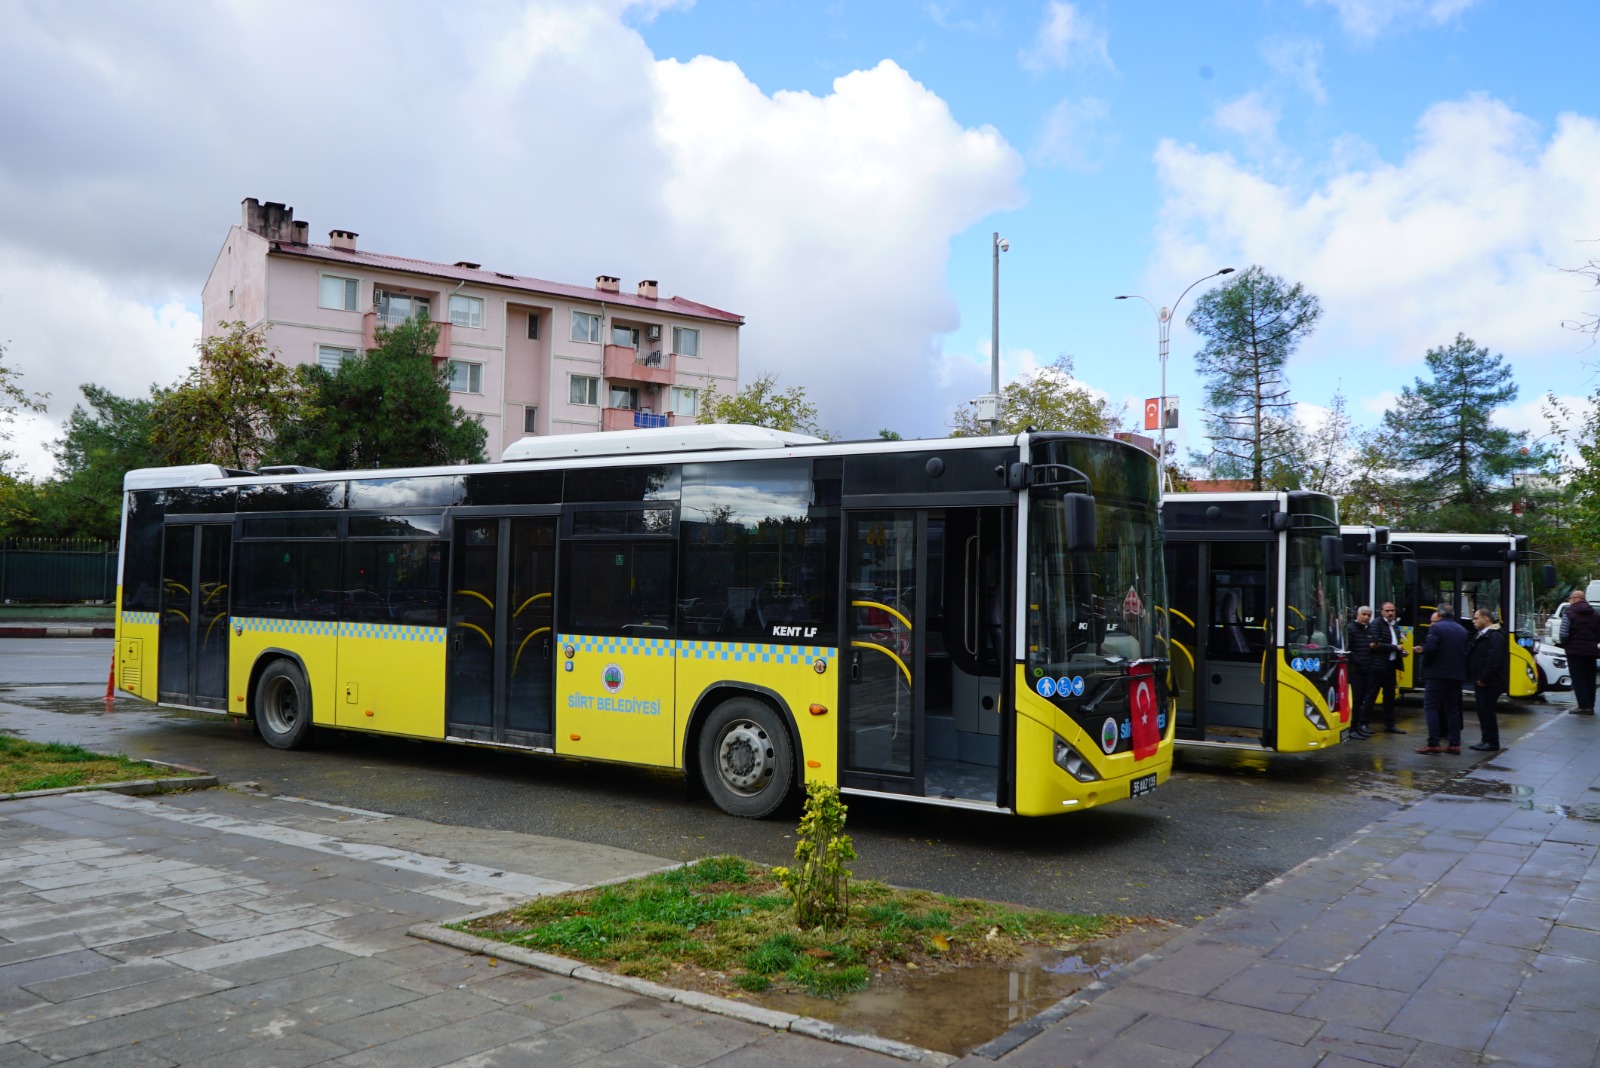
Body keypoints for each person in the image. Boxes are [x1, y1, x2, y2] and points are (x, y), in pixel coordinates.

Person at [1417, 604, 1470, 754]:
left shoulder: (1436, 628)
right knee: (1452, 709)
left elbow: (1432, 649)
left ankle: (1433, 743)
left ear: (1439, 616)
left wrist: (1425, 658)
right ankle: (1454, 743)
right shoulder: (1462, 630)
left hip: (1437, 675)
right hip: (1457, 675)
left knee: (1431, 707)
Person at [1465, 608, 1508, 751]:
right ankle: (1485, 739)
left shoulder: (1496, 635)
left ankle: (1492, 742)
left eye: (1476, 618)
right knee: (1482, 710)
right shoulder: (1481, 634)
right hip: (1480, 680)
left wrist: (1484, 678)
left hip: (1490, 682)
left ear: (1486, 619)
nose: (1473, 621)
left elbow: (1493, 660)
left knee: (1487, 710)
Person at [1560, 588, 1600, 716]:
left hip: (1574, 652)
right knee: (1590, 678)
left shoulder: (1569, 613)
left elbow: (1563, 634)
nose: (1570, 601)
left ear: (1575, 599)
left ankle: (1584, 706)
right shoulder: (1595, 614)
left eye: (1571, 599)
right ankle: (1591, 705)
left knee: (1578, 679)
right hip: (1591, 651)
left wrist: (1566, 643)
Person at [1370, 602, 1408, 733]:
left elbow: (1396, 642)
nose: (1390, 613)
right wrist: (1395, 648)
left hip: (1391, 665)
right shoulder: (1376, 624)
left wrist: (1401, 652)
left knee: (1389, 696)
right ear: (1381, 611)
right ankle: (1363, 723)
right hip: (1378, 665)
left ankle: (1390, 724)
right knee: (1372, 695)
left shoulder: (1394, 625)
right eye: (1387, 610)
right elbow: (1377, 644)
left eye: (1392, 610)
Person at [1345, 606, 1378, 738]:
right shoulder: (1350, 629)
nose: (1366, 617)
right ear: (1357, 615)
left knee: (1361, 701)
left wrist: (1375, 645)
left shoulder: (1369, 629)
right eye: (1364, 614)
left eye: (1369, 615)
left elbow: (1375, 642)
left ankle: (1357, 727)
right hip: (1355, 672)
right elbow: (1348, 649)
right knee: (1355, 701)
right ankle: (1352, 729)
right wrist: (1357, 661)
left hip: (1366, 671)